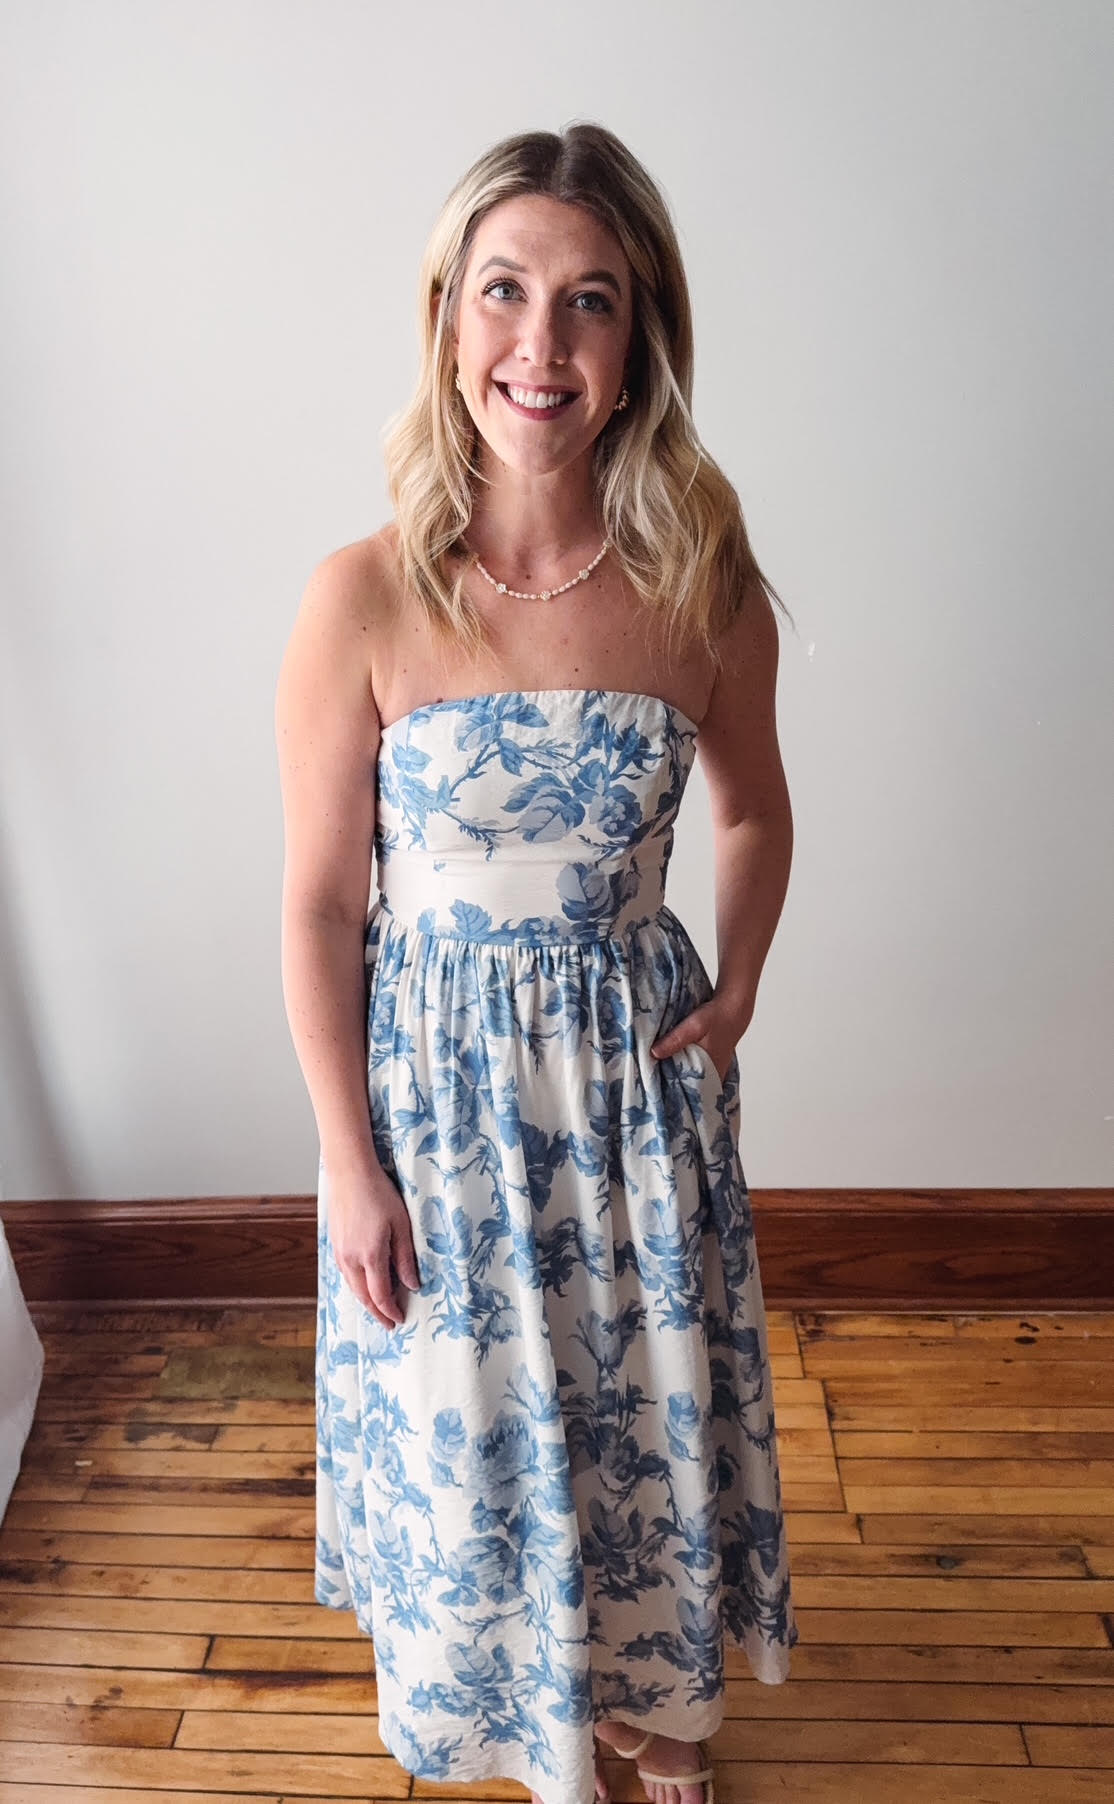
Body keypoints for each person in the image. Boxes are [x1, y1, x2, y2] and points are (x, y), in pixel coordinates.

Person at [276, 121, 798, 1804]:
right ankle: (534, 1713)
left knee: (632, 1415)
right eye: (503, 291)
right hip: (434, 1114)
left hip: (632, 1110)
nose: (540, 344)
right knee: (482, 1432)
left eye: (589, 301)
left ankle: (651, 1708)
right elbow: (316, 906)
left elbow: (752, 816)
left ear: (640, 336)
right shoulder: (360, 598)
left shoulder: (705, 588)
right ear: (445, 318)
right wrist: (347, 1163)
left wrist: (735, 993)